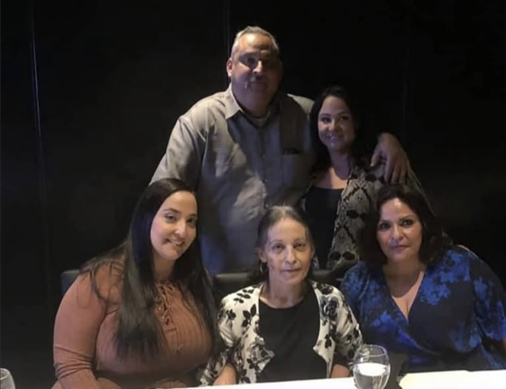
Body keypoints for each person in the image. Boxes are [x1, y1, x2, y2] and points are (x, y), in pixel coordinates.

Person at [151, 26, 412, 273]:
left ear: (279, 71)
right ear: (230, 67)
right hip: (219, 278)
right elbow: (159, 200)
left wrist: (385, 139)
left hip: (292, 276)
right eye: (249, 61)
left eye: (268, 63)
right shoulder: (200, 122)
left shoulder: (305, 115)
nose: (259, 70)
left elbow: (344, 128)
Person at [50, 180, 220, 389]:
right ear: (146, 219)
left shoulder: (197, 280)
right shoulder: (101, 277)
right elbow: (71, 364)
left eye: (191, 221)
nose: (182, 231)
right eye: (171, 218)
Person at [340, 185, 506, 373]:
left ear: (423, 225)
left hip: (473, 383)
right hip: (394, 388)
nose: (396, 235)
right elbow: (344, 352)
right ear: (374, 233)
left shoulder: (462, 265)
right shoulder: (358, 280)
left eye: (406, 223)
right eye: (384, 226)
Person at [201, 206, 363, 385]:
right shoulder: (236, 308)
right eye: (278, 247)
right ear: (262, 254)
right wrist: (228, 370)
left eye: (299, 246)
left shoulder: (331, 300)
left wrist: (337, 378)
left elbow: (358, 358)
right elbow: (207, 376)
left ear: (311, 251)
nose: (291, 258)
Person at [301, 84, 429, 276]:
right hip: (315, 285)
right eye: (325, 119)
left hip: (372, 283)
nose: (333, 127)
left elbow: (425, 220)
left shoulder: (382, 170)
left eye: (343, 118)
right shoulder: (308, 175)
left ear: (356, 122)